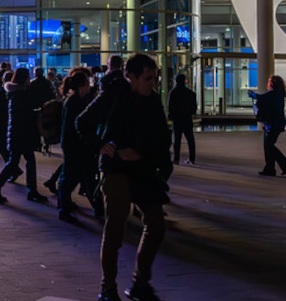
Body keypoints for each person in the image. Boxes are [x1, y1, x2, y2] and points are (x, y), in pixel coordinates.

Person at [77, 53, 171, 301]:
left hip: (143, 167)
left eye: (155, 78)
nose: (153, 83)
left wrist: (142, 154)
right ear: (131, 77)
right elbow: (83, 121)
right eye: (148, 78)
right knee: (116, 226)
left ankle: (140, 282)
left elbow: (163, 136)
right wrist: (100, 145)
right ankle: (107, 288)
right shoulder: (113, 95)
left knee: (156, 223)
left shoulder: (153, 101)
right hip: (115, 168)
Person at [0, 66, 47, 204]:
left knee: (15, 162)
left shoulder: (13, 93)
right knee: (25, 162)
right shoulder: (21, 94)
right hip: (22, 133)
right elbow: (25, 114)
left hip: (16, 133)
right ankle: (30, 190)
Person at [56, 68, 99, 221]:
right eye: (88, 83)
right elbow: (74, 126)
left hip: (75, 145)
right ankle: (64, 208)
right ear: (82, 85)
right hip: (74, 145)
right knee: (70, 177)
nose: (90, 85)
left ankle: (65, 205)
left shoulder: (75, 100)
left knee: (75, 176)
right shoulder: (75, 102)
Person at [249, 75, 286, 176]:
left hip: (272, 124)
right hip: (274, 123)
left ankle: (282, 164)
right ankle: (271, 167)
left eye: (269, 82)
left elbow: (261, 98)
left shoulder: (274, 94)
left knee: (269, 146)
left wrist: (252, 94)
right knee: (268, 146)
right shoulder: (279, 94)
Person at [168, 73, 197, 166]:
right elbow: (194, 108)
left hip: (177, 120)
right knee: (190, 140)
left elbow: (171, 107)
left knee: (177, 140)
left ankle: (176, 158)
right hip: (187, 119)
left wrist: (171, 116)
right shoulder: (191, 93)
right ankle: (192, 158)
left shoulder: (173, 93)